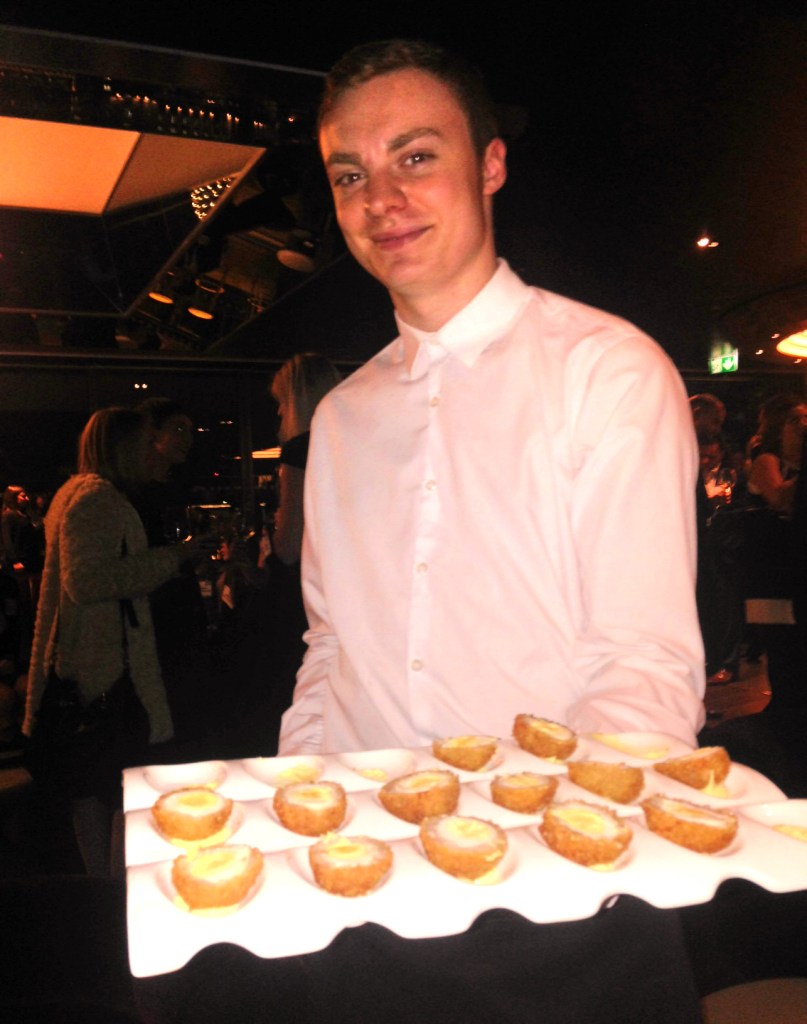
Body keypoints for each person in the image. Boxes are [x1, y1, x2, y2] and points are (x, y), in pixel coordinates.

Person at [262, 37, 704, 1024]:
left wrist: (538, 844)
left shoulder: (607, 371)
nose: (381, 198)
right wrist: (305, 805)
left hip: (561, 910)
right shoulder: (342, 418)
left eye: (415, 156)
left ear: (491, 163)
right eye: (350, 174)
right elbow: (330, 652)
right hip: (368, 902)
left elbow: (642, 665)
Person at [22, 407, 216, 873]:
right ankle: (111, 886)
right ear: (123, 446)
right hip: (104, 663)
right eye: (145, 442)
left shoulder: (76, 494)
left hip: (86, 658)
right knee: (112, 782)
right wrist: (173, 558)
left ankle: (105, 885)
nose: (152, 450)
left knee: (94, 784)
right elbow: (86, 581)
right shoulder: (98, 499)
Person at [134, 396, 219, 758]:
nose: (188, 438)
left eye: (191, 430)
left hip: (178, 604)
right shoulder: (134, 494)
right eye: (178, 429)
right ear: (151, 433)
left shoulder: (171, 487)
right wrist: (183, 554)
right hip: (154, 611)